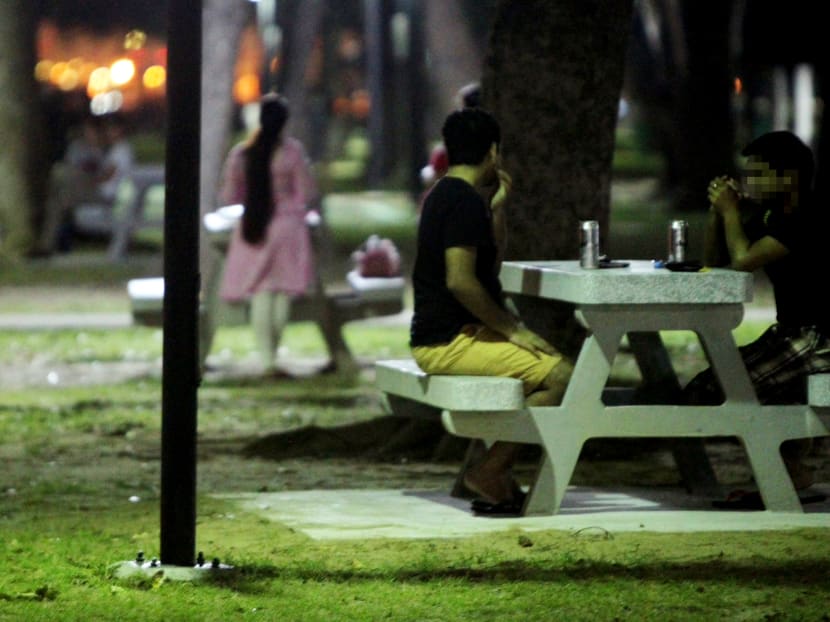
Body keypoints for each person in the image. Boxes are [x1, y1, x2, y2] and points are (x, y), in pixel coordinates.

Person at [410, 107, 574, 514]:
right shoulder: (462, 203)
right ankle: (490, 470)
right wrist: (512, 330)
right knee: (563, 376)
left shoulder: (447, 195)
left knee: (551, 369)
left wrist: (497, 208)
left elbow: (488, 265)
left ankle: (493, 471)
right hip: (449, 342)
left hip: (449, 336)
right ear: (493, 152)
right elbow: (461, 281)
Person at [686, 130, 830, 502]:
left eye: (758, 174)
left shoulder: (807, 216)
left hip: (818, 338)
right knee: (706, 388)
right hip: (791, 332)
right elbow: (713, 265)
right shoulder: (771, 215)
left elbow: (742, 262)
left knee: (730, 389)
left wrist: (731, 212)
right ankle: (791, 472)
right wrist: (717, 214)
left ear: (788, 177)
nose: (749, 183)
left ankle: (785, 475)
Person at [218, 93, 318, 378]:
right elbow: (306, 192)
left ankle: (267, 360)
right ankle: (273, 356)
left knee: (261, 292)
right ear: (284, 122)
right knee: (283, 291)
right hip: (288, 228)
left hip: (254, 227)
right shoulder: (292, 152)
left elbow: (229, 196)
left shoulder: (242, 154)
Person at [34, 112, 134, 255]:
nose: (108, 133)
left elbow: (106, 177)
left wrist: (86, 178)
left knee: (61, 178)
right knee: (58, 199)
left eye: (112, 129)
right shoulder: (116, 149)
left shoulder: (121, 150)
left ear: (120, 130)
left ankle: (47, 245)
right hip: (100, 193)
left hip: (104, 197)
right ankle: (48, 245)